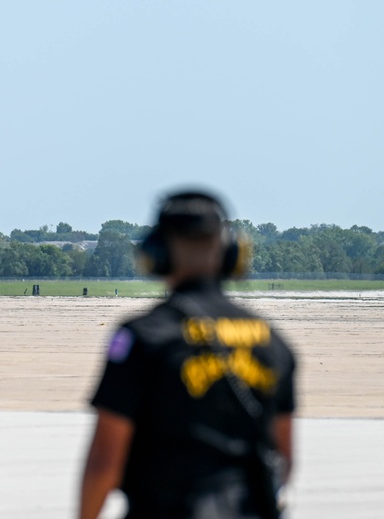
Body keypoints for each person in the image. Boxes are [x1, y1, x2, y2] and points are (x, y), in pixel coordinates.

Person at [79, 190, 297, 519]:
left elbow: (104, 462)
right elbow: (283, 457)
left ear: (157, 253)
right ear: (232, 254)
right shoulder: (272, 342)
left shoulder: (141, 337)